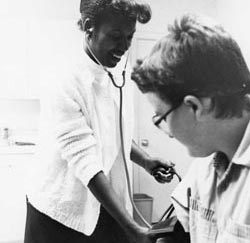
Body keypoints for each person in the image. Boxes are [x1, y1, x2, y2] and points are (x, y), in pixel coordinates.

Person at [24, 1, 175, 243]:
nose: (124, 46)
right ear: (88, 26)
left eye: (130, 36)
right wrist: (132, 228)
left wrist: (145, 160)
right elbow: (85, 160)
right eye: (116, 36)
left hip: (102, 200)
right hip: (60, 209)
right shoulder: (63, 78)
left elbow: (111, 132)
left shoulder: (113, 71)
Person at [131, 13, 250, 243]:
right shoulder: (205, 164)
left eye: (161, 117)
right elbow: (178, 230)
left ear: (194, 107)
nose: (166, 131)